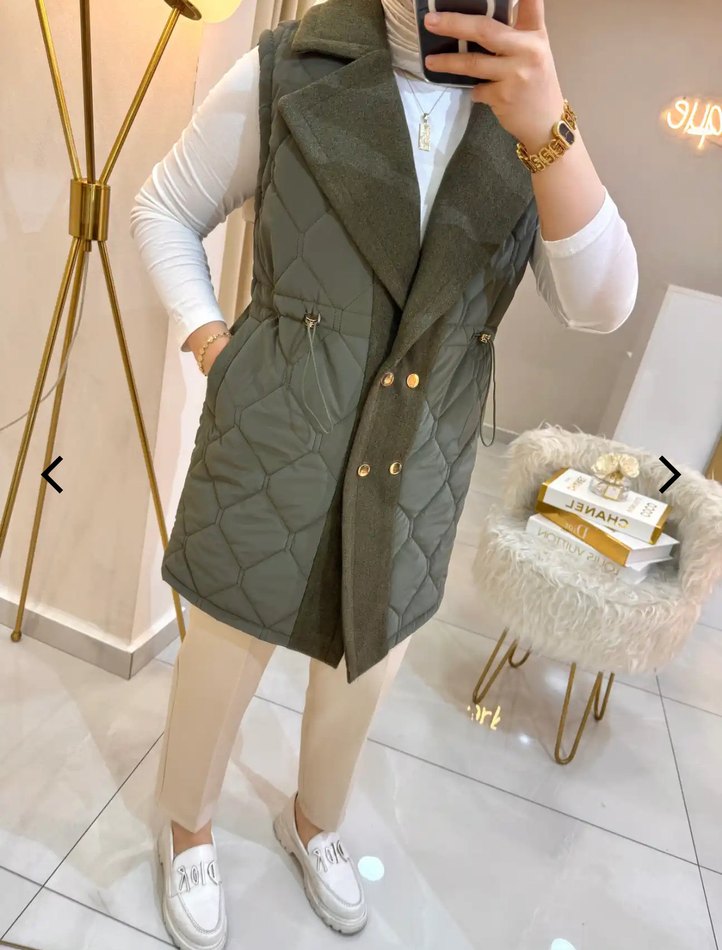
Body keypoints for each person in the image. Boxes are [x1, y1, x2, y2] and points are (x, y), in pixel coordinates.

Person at [130, 0, 638, 946]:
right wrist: (213, 345)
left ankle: (313, 820)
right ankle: (187, 825)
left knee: (368, 657)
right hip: (279, 430)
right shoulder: (287, 66)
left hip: (419, 455)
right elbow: (163, 206)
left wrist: (548, 128)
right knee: (227, 645)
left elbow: (602, 305)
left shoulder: (533, 117)